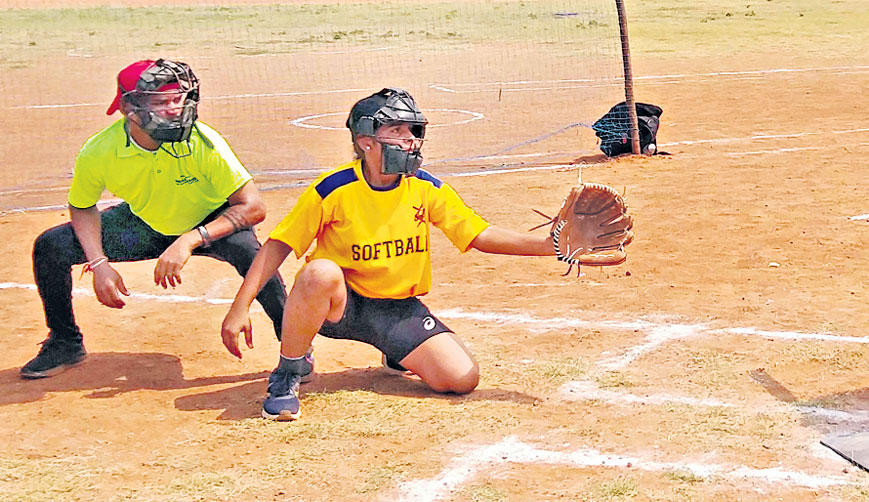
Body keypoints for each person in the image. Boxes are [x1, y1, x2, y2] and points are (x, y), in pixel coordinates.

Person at [220, 88, 566, 421]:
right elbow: (278, 245)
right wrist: (240, 307)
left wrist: (549, 246)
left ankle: (397, 350)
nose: (409, 140)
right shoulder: (334, 189)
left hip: (397, 310)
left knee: (461, 379)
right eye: (396, 130)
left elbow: (479, 234)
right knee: (319, 272)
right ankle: (289, 370)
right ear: (365, 140)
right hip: (342, 306)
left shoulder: (425, 187)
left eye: (413, 131)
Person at [21, 59, 289, 379]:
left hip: (210, 224)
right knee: (51, 245)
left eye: (178, 99)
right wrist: (99, 263)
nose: (175, 110)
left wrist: (190, 239)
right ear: (128, 109)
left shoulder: (203, 141)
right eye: (161, 103)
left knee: (252, 255)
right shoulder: (100, 151)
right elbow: (82, 206)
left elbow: (253, 207)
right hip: (145, 226)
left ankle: (294, 347)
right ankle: (65, 342)